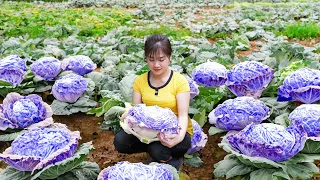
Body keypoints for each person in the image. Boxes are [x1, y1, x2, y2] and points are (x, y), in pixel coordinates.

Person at [113, 34, 193, 170]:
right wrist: (129, 114)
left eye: (161, 59)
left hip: (174, 131)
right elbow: (137, 110)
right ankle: (154, 150)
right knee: (120, 142)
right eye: (151, 59)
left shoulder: (179, 81)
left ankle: (169, 158)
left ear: (170, 57)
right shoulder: (140, 81)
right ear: (146, 59)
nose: (156, 65)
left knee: (158, 150)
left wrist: (178, 138)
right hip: (147, 131)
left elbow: (183, 115)